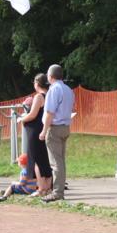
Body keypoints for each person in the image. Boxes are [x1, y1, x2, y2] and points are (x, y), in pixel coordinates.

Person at [39, 64, 74, 202]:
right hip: (66, 126)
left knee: (55, 162)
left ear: (50, 76)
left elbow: (49, 112)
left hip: (55, 128)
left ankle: (57, 192)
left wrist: (44, 130)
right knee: (61, 160)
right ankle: (59, 188)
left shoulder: (54, 90)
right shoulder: (68, 89)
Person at [20, 73, 53, 196]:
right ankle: (48, 188)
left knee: (36, 160)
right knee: (45, 159)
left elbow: (33, 114)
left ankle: (41, 189)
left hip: (35, 130)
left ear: (37, 83)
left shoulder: (39, 96)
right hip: (45, 128)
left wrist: (22, 119)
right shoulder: (50, 95)